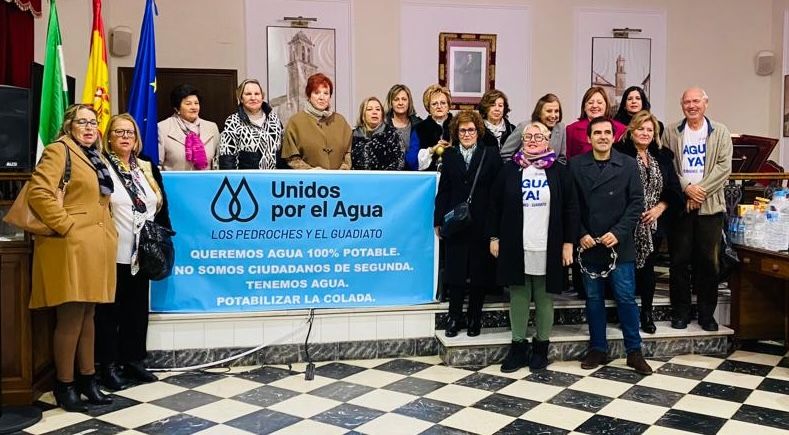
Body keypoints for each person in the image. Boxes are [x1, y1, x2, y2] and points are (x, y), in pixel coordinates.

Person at [27, 104, 117, 411]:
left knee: (88, 315)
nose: (90, 128)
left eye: (94, 123)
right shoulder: (59, 151)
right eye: (83, 122)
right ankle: (64, 385)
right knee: (70, 318)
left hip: (95, 245)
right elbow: (38, 193)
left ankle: (87, 379)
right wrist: (67, 225)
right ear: (69, 126)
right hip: (70, 245)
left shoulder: (95, 156)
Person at [488, 122, 578, 372]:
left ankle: (541, 348)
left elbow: (571, 208)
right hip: (517, 243)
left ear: (548, 141)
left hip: (548, 244)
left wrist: (569, 243)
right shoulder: (510, 169)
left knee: (544, 297)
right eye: (528, 136)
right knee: (518, 296)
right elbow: (494, 205)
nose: (533, 140)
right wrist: (494, 237)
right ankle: (518, 348)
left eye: (539, 136)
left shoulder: (559, 171)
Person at [95, 114, 172, 390]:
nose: (125, 137)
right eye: (119, 132)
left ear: (137, 138)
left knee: (137, 310)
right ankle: (108, 365)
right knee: (108, 313)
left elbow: (161, 208)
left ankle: (134, 361)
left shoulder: (146, 166)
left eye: (130, 132)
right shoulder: (100, 166)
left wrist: (164, 243)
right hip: (112, 251)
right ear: (109, 137)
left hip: (143, 253)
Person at [570, 116, 652, 375]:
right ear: (589, 137)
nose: (603, 136)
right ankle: (597, 348)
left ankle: (634, 351)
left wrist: (617, 232)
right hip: (590, 244)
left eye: (607, 132)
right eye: (598, 133)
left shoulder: (628, 164)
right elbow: (571, 206)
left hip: (619, 244)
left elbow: (636, 203)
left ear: (614, 137)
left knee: (626, 297)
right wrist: (580, 233)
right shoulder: (575, 165)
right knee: (593, 298)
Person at [662, 88, 733, 331]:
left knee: (708, 264)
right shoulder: (671, 131)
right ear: (682, 105)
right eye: (687, 102)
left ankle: (706, 315)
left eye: (696, 101)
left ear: (706, 103)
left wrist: (699, 191)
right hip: (681, 208)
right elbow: (668, 166)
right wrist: (686, 189)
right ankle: (680, 313)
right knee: (679, 262)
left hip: (710, 208)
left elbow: (724, 167)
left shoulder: (720, 131)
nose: (691, 106)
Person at [434, 110, 502, 337]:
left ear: (478, 131)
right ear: (456, 132)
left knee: (479, 273)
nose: (466, 133)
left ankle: (474, 317)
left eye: (471, 129)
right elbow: (443, 190)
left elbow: (496, 195)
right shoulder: (450, 155)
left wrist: (494, 229)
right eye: (462, 130)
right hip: (456, 223)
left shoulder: (490, 154)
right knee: (455, 273)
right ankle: (454, 317)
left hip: (482, 223)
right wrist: (439, 220)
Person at [614, 111, 682, 334]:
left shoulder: (663, 157)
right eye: (641, 128)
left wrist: (659, 208)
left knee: (648, 270)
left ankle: (646, 313)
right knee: (626, 270)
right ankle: (625, 313)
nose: (645, 133)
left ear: (655, 134)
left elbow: (673, 188)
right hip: (626, 222)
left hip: (654, 222)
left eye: (649, 130)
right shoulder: (619, 153)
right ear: (631, 130)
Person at [281, 73, 352, 170]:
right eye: (317, 92)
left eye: (326, 93)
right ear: (309, 95)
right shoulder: (295, 122)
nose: (321, 97)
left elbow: (348, 154)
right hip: (308, 182)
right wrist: (312, 172)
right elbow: (291, 158)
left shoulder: (341, 121)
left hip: (338, 181)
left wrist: (341, 172)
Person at [218, 79, 284, 169]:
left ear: (262, 97)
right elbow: (227, 160)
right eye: (248, 94)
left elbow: (283, 154)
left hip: (273, 180)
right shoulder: (232, 122)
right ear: (241, 98)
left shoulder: (274, 119)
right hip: (247, 181)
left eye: (257, 94)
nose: (253, 98)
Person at [157, 84, 219, 170]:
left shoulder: (212, 127)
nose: (194, 107)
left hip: (206, 182)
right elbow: (157, 166)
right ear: (177, 108)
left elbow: (217, 163)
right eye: (188, 104)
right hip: (174, 182)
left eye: (196, 103)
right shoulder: (162, 128)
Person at [565, 86, 626, 159]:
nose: (594, 106)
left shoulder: (621, 129)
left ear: (606, 106)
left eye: (599, 103)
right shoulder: (571, 129)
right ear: (584, 107)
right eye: (590, 103)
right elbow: (569, 159)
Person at [502, 93, 567, 161]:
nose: (553, 115)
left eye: (556, 111)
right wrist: (517, 168)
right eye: (549, 111)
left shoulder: (561, 128)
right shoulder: (523, 126)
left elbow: (562, 159)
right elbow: (505, 154)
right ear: (539, 112)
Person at [406, 84, 452, 171]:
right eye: (434, 104)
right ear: (428, 107)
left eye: (443, 103)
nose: (439, 106)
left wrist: (452, 149)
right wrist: (431, 150)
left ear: (448, 105)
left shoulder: (458, 125)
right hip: (429, 178)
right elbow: (412, 162)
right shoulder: (419, 129)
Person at [352, 96, 403, 170]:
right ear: (363, 115)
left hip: (384, 180)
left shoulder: (393, 135)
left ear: (382, 114)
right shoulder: (353, 135)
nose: (374, 112)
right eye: (369, 109)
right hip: (358, 179)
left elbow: (398, 163)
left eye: (378, 109)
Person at [384, 84, 423, 160]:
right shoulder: (383, 125)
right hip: (390, 170)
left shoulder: (419, 124)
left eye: (404, 99)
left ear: (409, 102)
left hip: (414, 170)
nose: (400, 103)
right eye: (396, 99)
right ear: (391, 103)